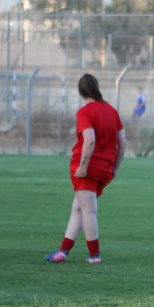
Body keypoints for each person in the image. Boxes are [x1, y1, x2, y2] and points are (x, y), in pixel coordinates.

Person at [45, 74, 127, 264]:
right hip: (104, 169)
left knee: (88, 210)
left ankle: (94, 256)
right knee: (78, 208)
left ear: (80, 91)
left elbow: (89, 140)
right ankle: (63, 252)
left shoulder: (85, 112)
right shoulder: (112, 111)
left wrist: (82, 167)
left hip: (88, 168)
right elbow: (123, 141)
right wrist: (114, 168)